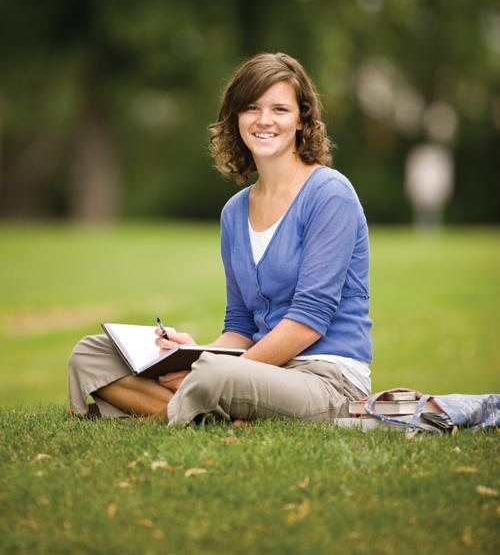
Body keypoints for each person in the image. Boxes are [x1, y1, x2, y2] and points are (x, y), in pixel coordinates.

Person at [68, 52, 371, 425]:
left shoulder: (330, 194)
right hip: (251, 371)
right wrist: (193, 352)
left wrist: (209, 371)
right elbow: (241, 327)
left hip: (325, 379)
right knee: (92, 353)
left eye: (279, 109)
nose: (264, 120)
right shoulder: (234, 212)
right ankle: (206, 412)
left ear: (302, 121)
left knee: (214, 375)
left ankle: (181, 405)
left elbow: (309, 321)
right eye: (251, 108)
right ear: (236, 119)